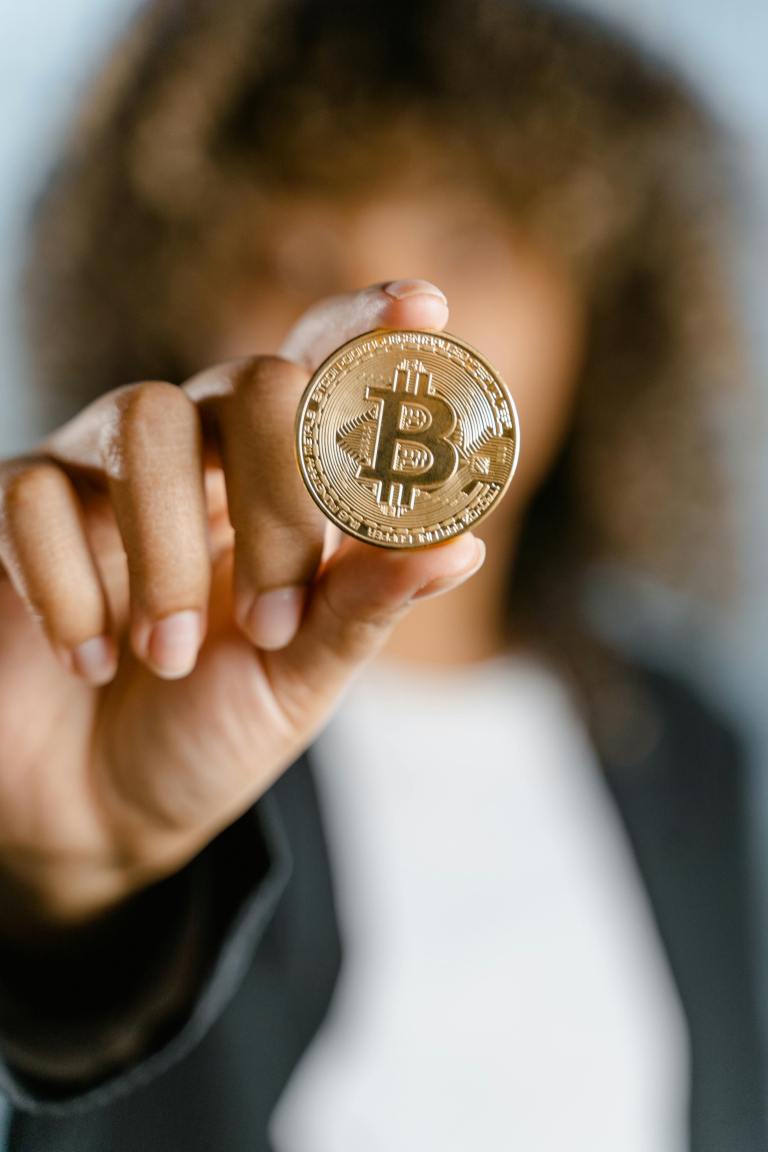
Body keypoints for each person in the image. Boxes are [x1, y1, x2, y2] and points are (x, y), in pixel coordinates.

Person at [0, 0, 762, 1149]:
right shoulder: (109, 698)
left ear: (595, 303)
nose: (392, 337)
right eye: (290, 263)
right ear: (171, 304)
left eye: (469, 246)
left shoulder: (685, 745)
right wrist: (55, 888)